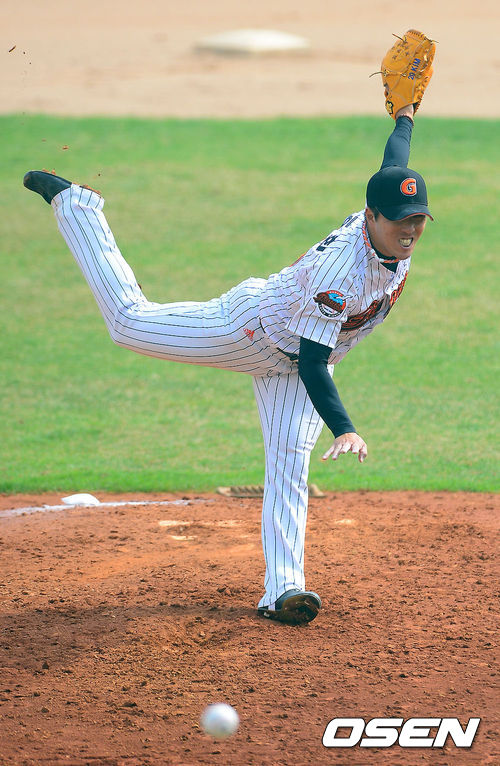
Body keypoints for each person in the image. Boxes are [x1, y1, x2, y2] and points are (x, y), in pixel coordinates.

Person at [23, 98, 432, 626]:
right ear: (371, 215)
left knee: (289, 462)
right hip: (250, 330)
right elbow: (313, 363)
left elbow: (393, 163)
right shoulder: (341, 275)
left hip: (300, 358)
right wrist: (344, 428)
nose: (410, 229)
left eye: (418, 218)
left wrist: (405, 116)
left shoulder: (386, 224)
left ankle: (284, 590)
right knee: (127, 323)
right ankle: (78, 207)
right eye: (400, 220)